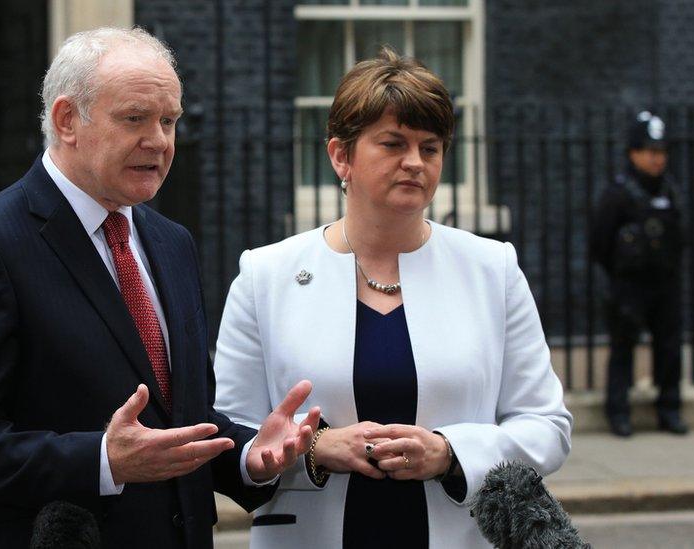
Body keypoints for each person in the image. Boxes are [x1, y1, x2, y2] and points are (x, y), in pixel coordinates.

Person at [0, 27, 320, 548]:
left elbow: (180, 418)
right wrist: (102, 461)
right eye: (134, 118)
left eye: (168, 120)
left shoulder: (172, 242)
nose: (159, 140)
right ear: (67, 120)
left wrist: (248, 455)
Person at [213, 48, 572, 548]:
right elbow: (231, 432)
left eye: (430, 147)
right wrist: (314, 447)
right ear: (341, 155)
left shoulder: (493, 268)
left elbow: (546, 425)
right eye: (393, 143)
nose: (414, 162)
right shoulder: (265, 275)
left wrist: (450, 452)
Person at [589, 111, 688, 438]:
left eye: (662, 152)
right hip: (629, 285)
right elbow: (599, 244)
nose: (658, 159)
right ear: (634, 153)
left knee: (670, 348)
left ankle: (669, 409)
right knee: (623, 348)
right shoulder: (618, 194)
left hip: (665, 283)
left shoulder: (670, 191)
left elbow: (683, 236)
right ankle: (618, 412)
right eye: (651, 151)